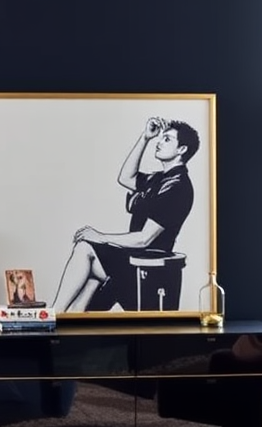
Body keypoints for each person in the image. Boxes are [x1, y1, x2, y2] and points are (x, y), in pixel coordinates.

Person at [51, 116, 199, 312]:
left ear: (182, 150)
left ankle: (53, 314)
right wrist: (145, 138)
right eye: (161, 138)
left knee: (86, 249)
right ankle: (63, 316)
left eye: (167, 139)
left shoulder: (178, 186)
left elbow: (144, 239)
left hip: (148, 270)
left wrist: (101, 237)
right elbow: (125, 177)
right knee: (85, 293)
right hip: (132, 261)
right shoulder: (158, 179)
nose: (160, 142)